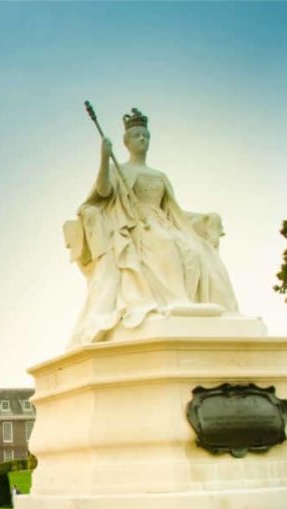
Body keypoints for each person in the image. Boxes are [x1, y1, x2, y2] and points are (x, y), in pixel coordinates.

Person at [66, 108, 238, 345]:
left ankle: (206, 307)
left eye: (145, 135)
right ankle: (177, 301)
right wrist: (104, 159)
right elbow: (104, 192)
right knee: (164, 242)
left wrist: (206, 218)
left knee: (196, 250)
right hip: (135, 225)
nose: (142, 139)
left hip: (163, 221)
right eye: (137, 135)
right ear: (126, 142)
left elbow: (174, 210)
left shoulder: (160, 175)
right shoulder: (119, 170)